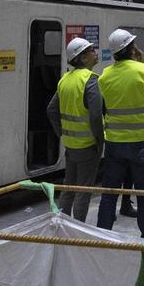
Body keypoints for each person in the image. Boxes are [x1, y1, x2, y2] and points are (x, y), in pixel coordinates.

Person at [95, 28, 144, 239]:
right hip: (142, 143)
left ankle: (103, 236)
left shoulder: (104, 76)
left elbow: (103, 107)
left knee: (110, 193)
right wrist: (142, 62)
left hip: (115, 143)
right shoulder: (143, 70)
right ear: (132, 48)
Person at [46, 37, 103, 221]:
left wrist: (62, 133)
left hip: (70, 145)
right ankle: (78, 230)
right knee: (83, 191)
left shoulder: (65, 80)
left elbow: (51, 110)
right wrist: (99, 140)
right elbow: (95, 115)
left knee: (69, 187)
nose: (95, 53)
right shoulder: (91, 80)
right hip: (88, 145)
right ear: (82, 57)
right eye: (91, 50)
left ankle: (62, 224)